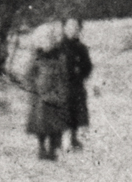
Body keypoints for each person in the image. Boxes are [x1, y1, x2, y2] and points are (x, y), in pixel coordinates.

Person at [26, 23, 70, 161]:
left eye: (50, 39)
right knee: (41, 124)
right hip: (40, 98)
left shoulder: (59, 58)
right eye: (44, 39)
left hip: (56, 95)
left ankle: (52, 149)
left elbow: (64, 76)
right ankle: (41, 148)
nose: (47, 43)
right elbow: (28, 75)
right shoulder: (36, 58)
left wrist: (62, 91)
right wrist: (34, 89)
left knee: (55, 124)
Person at [58, 18, 93, 150]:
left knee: (77, 112)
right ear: (64, 28)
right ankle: (65, 141)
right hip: (62, 86)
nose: (73, 30)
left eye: (76, 28)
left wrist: (81, 71)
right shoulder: (59, 47)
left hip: (77, 86)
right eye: (70, 27)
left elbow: (88, 66)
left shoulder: (81, 48)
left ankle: (74, 139)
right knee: (65, 112)